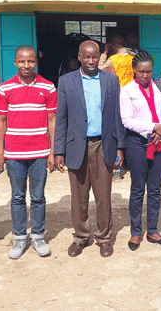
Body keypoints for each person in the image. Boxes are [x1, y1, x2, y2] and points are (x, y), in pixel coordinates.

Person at [54, 41, 125, 258]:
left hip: (103, 144)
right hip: (77, 145)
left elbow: (117, 116)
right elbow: (62, 118)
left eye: (95, 57)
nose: (91, 61)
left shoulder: (111, 81)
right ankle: (81, 237)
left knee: (103, 195)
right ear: (79, 57)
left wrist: (120, 147)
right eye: (87, 57)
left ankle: (104, 237)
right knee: (79, 196)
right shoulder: (66, 81)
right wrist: (59, 151)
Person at [0, 45, 57, 259]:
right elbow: (1, 121)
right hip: (14, 153)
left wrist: (52, 151)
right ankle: (20, 238)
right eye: (22, 61)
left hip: (40, 151)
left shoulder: (48, 88)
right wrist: (0, 151)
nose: (26, 65)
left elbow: (52, 120)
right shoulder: (5, 89)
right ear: (15, 63)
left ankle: (38, 236)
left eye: (30, 61)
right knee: (17, 196)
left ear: (36, 62)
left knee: (38, 197)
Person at [120, 50, 161, 250]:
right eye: (141, 72)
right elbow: (126, 120)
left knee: (155, 188)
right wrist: (154, 127)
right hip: (138, 144)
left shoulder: (160, 85)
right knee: (137, 189)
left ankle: (152, 230)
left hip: (160, 143)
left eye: (148, 71)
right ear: (134, 70)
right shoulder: (127, 91)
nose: (145, 75)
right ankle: (136, 232)